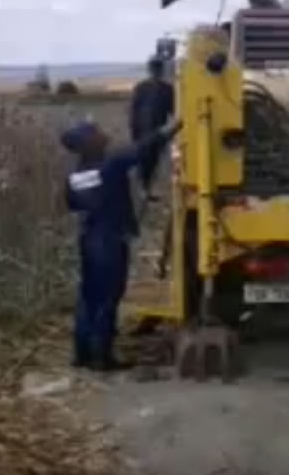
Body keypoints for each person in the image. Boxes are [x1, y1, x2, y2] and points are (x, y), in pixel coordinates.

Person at [60, 118, 182, 371]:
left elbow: (72, 204)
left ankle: (81, 354)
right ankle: (102, 357)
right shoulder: (110, 165)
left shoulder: (74, 177)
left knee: (89, 297)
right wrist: (172, 127)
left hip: (88, 238)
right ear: (88, 144)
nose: (103, 134)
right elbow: (141, 149)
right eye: (96, 133)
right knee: (108, 298)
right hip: (109, 242)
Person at [129, 56, 175, 200]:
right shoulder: (140, 87)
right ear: (149, 70)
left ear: (161, 70)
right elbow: (133, 111)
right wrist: (133, 131)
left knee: (154, 160)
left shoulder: (168, 89)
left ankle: (147, 189)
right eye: (153, 69)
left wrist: (172, 130)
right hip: (142, 131)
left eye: (157, 69)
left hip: (159, 131)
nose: (155, 71)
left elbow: (173, 110)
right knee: (144, 160)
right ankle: (143, 189)